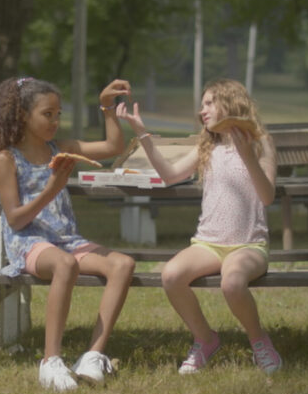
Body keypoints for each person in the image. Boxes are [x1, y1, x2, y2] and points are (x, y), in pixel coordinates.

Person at [116, 78, 282, 375]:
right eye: (201, 104)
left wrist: (247, 156)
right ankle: (205, 339)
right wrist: (142, 133)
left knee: (232, 283)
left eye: (209, 103)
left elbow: (267, 197)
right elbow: (169, 175)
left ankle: (259, 341)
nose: (201, 110)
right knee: (171, 275)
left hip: (248, 245)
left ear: (230, 103)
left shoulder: (261, 142)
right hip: (208, 244)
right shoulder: (208, 145)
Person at [0, 77, 136, 391]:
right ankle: (50, 361)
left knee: (123, 264)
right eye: (47, 114)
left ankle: (92, 356)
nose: (55, 121)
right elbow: (14, 220)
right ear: (23, 115)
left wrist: (107, 107)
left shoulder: (61, 149)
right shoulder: (6, 158)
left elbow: (113, 147)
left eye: (58, 114)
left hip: (67, 241)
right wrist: (51, 190)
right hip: (28, 242)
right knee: (65, 264)